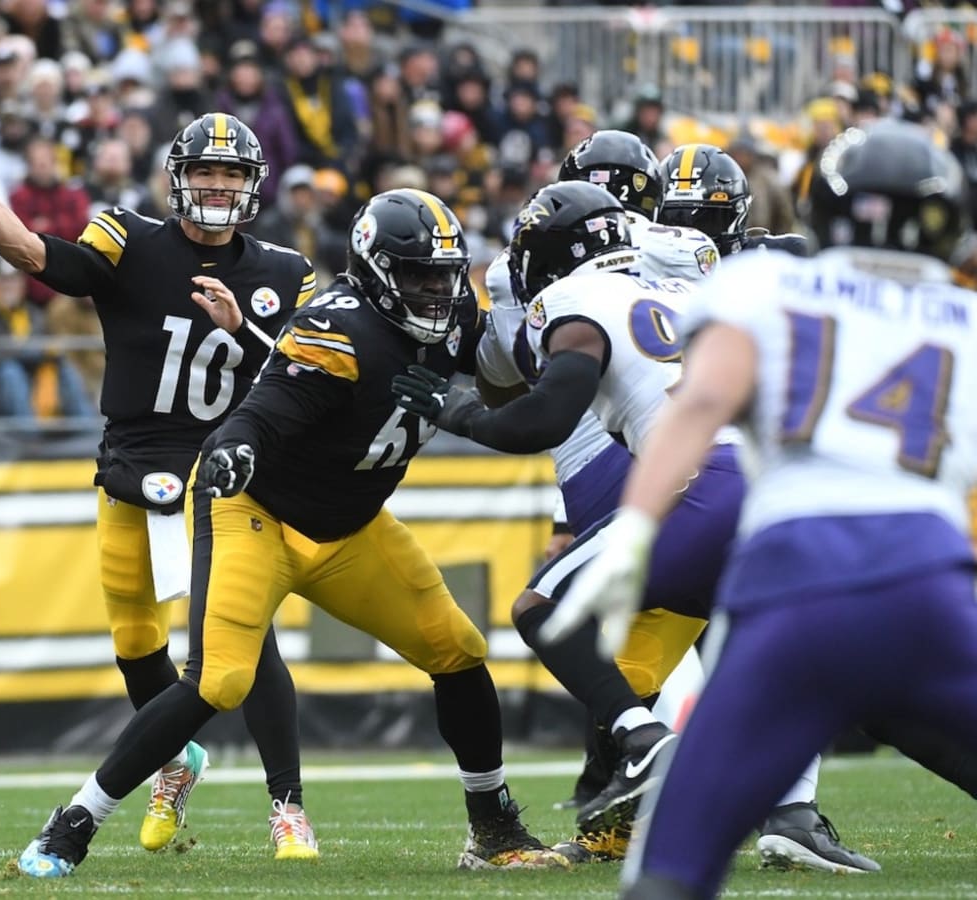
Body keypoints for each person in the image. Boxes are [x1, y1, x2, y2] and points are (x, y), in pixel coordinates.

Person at [14, 189, 568, 878]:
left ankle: (492, 826)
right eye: (418, 272)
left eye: (443, 272)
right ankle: (71, 825)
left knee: (458, 650)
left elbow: (512, 395)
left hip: (350, 528)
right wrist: (233, 448)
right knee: (218, 680)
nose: (434, 288)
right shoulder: (338, 330)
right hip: (258, 512)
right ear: (373, 270)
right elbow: (261, 411)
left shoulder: (458, 315)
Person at [548, 119, 977, 900]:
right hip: (929, 588)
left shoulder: (758, 284)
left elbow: (700, 404)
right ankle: (797, 817)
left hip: (791, 591)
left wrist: (638, 530)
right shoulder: (964, 318)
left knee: (670, 871)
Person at [396, 180, 876, 874]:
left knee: (542, 607)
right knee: (786, 661)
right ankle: (775, 811)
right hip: (783, 486)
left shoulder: (573, 300)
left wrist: (454, 409)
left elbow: (539, 419)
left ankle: (644, 738)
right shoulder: (687, 292)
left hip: (709, 485)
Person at [0, 112, 319, 858]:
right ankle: (172, 763)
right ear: (178, 178)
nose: (218, 185)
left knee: (244, 640)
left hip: (226, 471)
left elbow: (309, 379)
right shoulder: (127, 239)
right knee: (136, 639)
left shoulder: (285, 272)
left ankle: (287, 804)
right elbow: (33, 254)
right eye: (205, 171)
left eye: (232, 174)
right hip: (133, 463)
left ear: (253, 185)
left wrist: (247, 335)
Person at [477, 130, 717, 858]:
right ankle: (618, 809)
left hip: (625, 463)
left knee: (592, 632)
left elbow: (513, 382)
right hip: (700, 448)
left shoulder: (540, 275)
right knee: (640, 652)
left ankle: (645, 769)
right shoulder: (680, 249)